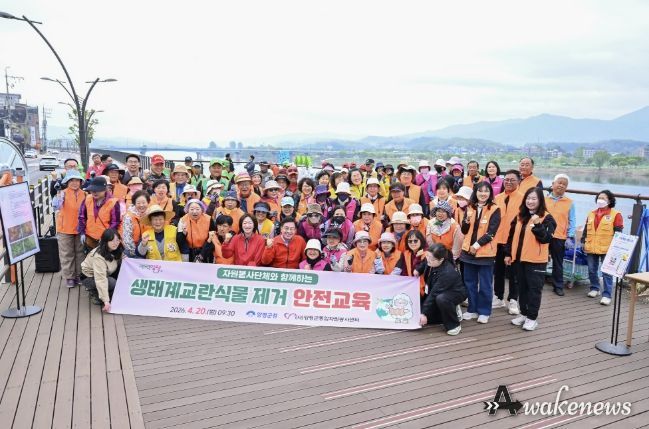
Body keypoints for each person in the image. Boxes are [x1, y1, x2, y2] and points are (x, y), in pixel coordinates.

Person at [505, 187, 556, 331]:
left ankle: (532, 318)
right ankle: (524, 313)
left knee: (534, 290)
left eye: (534, 198)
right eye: (528, 198)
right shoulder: (520, 215)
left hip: (536, 261)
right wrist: (508, 254)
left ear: (540, 200)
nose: (530, 201)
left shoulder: (547, 218)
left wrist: (538, 224)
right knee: (522, 288)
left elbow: (546, 239)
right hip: (519, 259)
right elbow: (511, 236)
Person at [459, 181, 501, 324]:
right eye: (480, 191)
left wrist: (476, 245)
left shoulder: (495, 209)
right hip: (467, 252)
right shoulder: (470, 207)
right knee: (469, 282)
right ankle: (472, 309)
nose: (483, 193)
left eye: (486, 191)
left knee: (485, 284)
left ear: (490, 193)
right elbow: (464, 230)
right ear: (475, 192)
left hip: (485, 253)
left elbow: (491, 232)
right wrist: (465, 221)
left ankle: (484, 311)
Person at [583, 190, 624, 305]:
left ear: (609, 201)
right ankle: (594, 288)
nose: (600, 200)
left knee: (607, 272)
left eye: (603, 198)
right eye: (599, 198)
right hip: (591, 246)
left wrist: (616, 248)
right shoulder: (591, 213)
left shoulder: (616, 214)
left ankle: (607, 295)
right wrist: (582, 241)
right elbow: (586, 230)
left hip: (607, 248)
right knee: (591, 269)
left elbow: (618, 233)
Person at [416, 243, 467, 336]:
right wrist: (418, 270)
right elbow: (424, 263)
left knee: (441, 299)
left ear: (441, 260)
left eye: (431, 259)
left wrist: (424, 313)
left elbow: (434, 293)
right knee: (429, 319)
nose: (428, 259)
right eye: (427, 256)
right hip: (435, 290)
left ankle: (454, 325)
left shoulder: (447, 272)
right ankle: (448, 311)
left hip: (454, 293)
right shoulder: (431, 259)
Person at [492, 170, 524, 314]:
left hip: (514, 241)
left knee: (513, 273)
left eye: (512, 180)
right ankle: (498, 297)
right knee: (498, 271)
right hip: (498, 240)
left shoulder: (523, 199)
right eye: (506, 180)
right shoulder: (497, 198)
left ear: (519, 181)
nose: (508, 182)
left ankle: (513, 300)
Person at [52, 169, 86, 287]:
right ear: (67, 182)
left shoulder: (85, 194)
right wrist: (58, 195)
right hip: (64, 228)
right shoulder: (62, 193)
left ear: (81, 182)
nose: (75, 183)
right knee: (67, 254)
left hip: (80, 229)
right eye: (72, 180)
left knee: (80, 253)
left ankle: (80, 275)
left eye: (77, 180)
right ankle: (70, 277)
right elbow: (56, 206)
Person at [545, 174, 576, 296]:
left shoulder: (569, 202)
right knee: (540, 260)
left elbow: (572, 220)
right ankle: (537, 282)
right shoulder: (544, 200)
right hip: (544, 235)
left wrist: (570, 236)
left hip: (559, 236)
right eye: (559, 182)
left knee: (558, 263)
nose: (561, 185)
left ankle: (558, 286)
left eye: (564, 184)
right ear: (553, 184)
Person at [81, 228, 123, 311]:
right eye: (112, 241)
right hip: (90, 276)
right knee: (112, 283)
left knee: (120, 278)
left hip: (107, 271)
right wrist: (106, 302)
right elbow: (100, 279)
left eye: (117, 240)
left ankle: (106, 293)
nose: (115, 243)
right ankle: (95, 293)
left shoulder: (116, 249)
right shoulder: (99, 257)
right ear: (106, 241)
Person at [78, 177, 120, 250]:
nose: (95, 192)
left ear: (105, 189)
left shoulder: (113, 202)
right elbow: (82, 217)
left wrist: (107, 237)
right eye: (92, 190)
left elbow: (115, 223)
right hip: (89, 238)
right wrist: (82, 232)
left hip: (105, 240)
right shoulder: (87, 199)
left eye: (98, 190)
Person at [122, 190, 150, 258]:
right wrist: (136, 254)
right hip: (133, 250)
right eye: (138, 203)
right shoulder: (128, 216)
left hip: (148, 248)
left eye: (144, 202)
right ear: (134, 203)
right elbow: (127, 238)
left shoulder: (150, 214)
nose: (141, 205)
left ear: (148, 202)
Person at [402, 230, 427, 298]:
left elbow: (416, 272)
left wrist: (417, 258)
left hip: (423, 287)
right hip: (409, 285)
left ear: (421, 241)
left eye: (415, 241)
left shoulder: (426, 254)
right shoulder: (406, 254)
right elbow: (404, 272)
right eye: (410, 241)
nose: (412, 243)